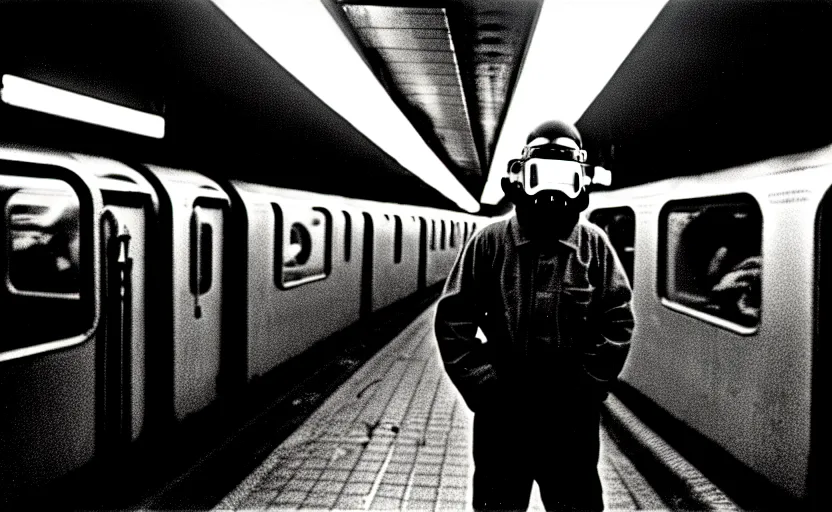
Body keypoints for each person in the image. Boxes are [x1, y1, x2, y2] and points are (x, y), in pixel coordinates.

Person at [434, 120, 635, 511]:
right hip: (503, 417)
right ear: (521, 176)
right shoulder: (490, 242)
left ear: (581, 181)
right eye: (542, 173)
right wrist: (487, 389)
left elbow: (617, 319)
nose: (552, 190)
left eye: (565, 176)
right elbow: (454, 319)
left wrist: (585, 388)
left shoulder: (594, 246)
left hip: (571, 421)